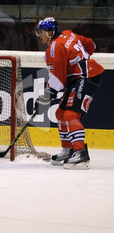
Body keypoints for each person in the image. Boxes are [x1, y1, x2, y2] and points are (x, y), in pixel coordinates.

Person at [34, 17, 104, 170]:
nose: (39, 35)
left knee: (70, 115)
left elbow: (58, 80)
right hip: (80, 77)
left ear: (51, 32)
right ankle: (68, 150)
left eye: (41, 32)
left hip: (85, 77)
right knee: (60, 113)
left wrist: (45, 98)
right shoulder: (70, 34)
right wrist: (80, 60)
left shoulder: (54, 47)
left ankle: (80, 153)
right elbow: (91, 44)